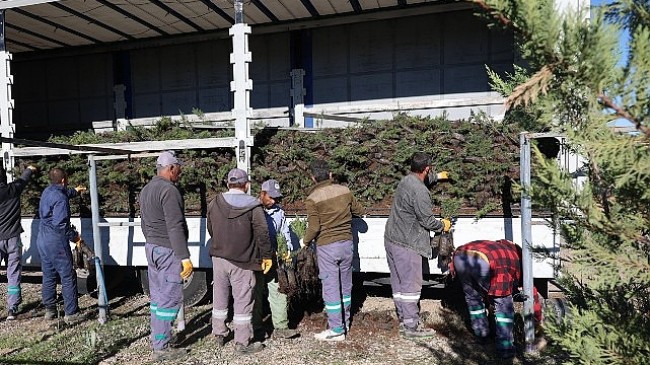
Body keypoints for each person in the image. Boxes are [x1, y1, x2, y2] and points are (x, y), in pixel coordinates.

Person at [383, 151, 450, 339]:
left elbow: (420, 183)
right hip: (407, 243)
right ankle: (412, 328)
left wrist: (437, 177)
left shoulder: (406, 181)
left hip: (392, 239)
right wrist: (442, 225)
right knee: (411, 286)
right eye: (431, 170)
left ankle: (404, 320)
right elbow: (428, 221)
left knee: (399, 284)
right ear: (426, 168)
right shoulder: (421, 192)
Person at [207, 168, 272, 354]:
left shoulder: (214, 202)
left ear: (228, 183)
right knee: (243, 299)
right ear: (246, 185)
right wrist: (266, 256)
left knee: (219, 295)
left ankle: (219, 332)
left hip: (219, 259)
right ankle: (242, 342)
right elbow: (262, 232)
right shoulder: (253, 205)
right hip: (243, 260)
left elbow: (210, 228)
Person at [303, 159, 365, 342]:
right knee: (345, 286)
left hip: (327, 247)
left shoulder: (312, 198)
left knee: (331, 288)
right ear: (330, 175)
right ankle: (345, 323)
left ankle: (337, 330)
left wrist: (305, 241)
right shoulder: (345, 191)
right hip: (347, 244)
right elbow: (360, 211)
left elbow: (314, 228)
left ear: (313, 178)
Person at [139, 151, 193, 361]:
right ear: (171, 168)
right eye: (179, 167)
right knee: (169, 299)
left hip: (152, 247)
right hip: (168, 250)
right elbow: (175, 225)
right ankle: (161, 347)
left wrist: (151, 241)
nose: (180, 170)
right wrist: (184, 256)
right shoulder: (169, 191)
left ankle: (158, 339)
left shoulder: (147, 189)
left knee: (158, 298)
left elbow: (144, 222)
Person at [451, 239, 542, 360]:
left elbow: (487, 289)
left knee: (474, 299)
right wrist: (537, 320)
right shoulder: (514, 262)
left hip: (460, 256)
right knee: (503, 305)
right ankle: (505, 348)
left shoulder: (500, 247)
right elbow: (532, 294)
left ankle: (482, 336)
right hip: (485, 261)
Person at [37, 167, 86, 324]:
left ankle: (50, 310)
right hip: (56, 241)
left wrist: (75, 191)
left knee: (49, 274)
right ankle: (71, 313)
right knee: (67, 275)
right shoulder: (60, 197)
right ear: (64, 180)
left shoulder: (48, 191)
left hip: (42, 240)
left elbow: (63, 193)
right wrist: (75, 237)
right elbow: (60, 224)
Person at [253, 179, 299, 340]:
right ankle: (256, 327)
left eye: (276, 198)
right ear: (262, 193)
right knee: (255, 293)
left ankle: (281, 327)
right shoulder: (253, 210)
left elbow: (285, 233)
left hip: (275, 259)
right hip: (257, 260)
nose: (274, 201)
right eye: (271, 197)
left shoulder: (279, 212)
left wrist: (287, 250)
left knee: (279, 291)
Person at [0, 164, 37, 320]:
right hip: (13, 238)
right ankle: (12, 309)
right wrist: (30, 168)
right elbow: (24, 179)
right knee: (13, 272)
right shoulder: (13, 189)